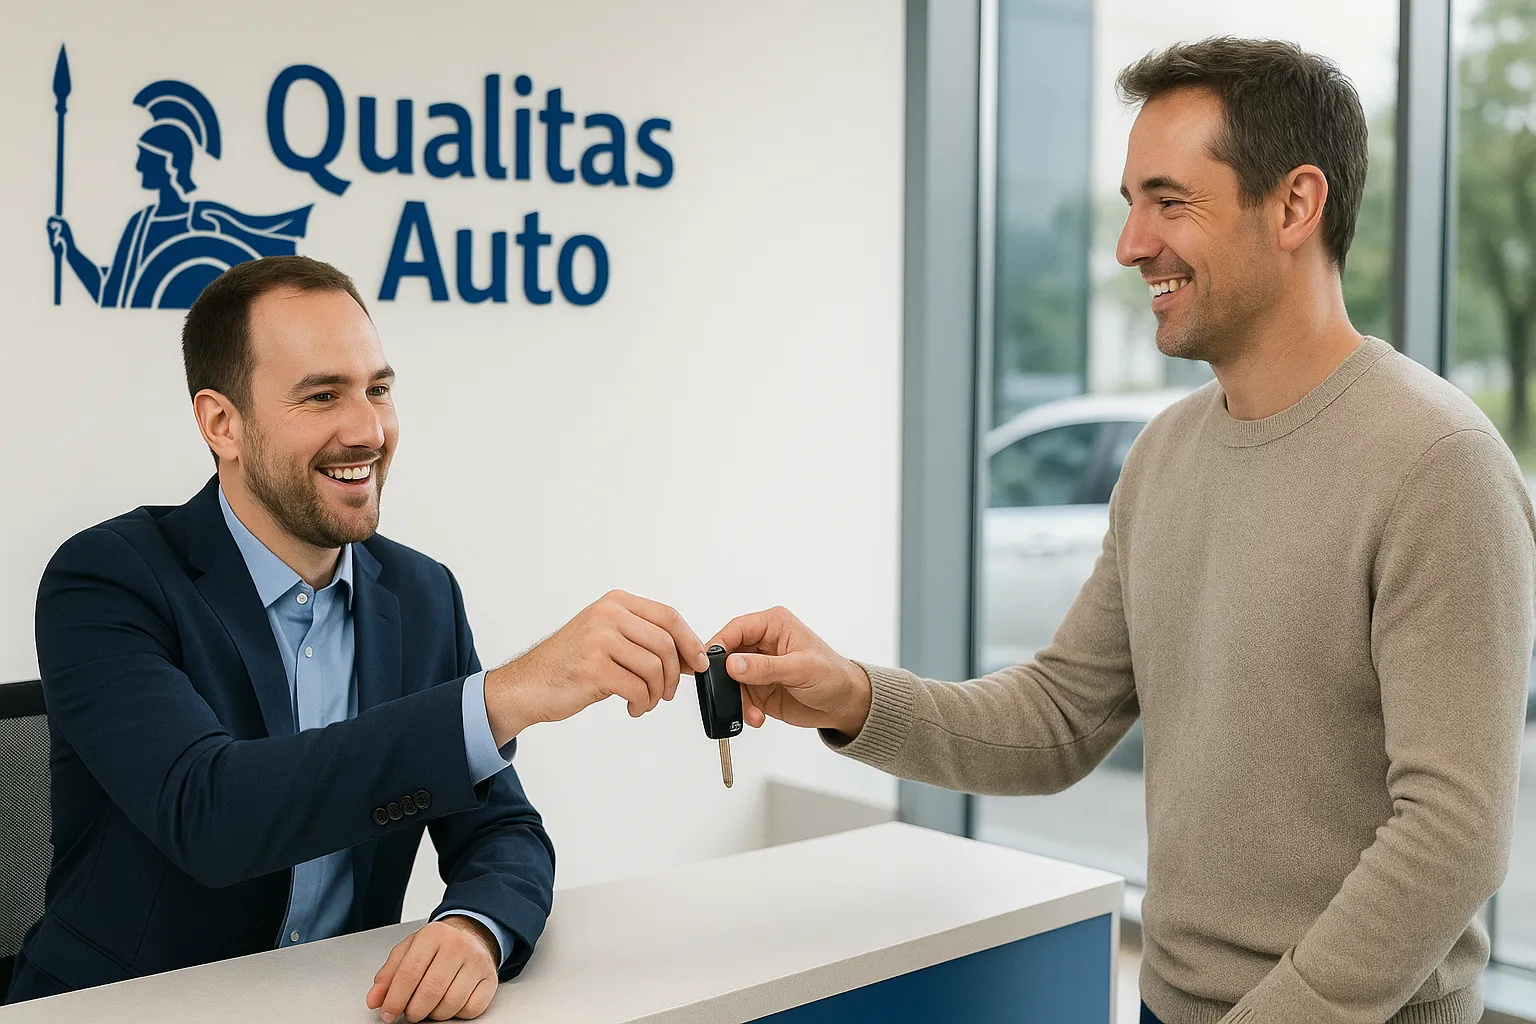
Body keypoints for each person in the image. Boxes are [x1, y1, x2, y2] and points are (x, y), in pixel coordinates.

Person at [709, 38, 1536, 1024]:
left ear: (1295, 205)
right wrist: (850, 694)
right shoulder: (1164, 456)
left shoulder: (1439, 462)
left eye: (1169, 200)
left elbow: (1451, 837)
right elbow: (1060, 719)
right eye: (1131, 203)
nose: (1131, 244)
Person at [6, 255, 710, 1024]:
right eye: (322, 396)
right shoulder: (108, 578)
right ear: (222, 424)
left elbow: (503, 831)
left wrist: (473, 928)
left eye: (378, 388)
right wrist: (506, 697)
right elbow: (210, 813)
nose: (369, 430)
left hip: (340, 1006)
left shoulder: (420, 595)